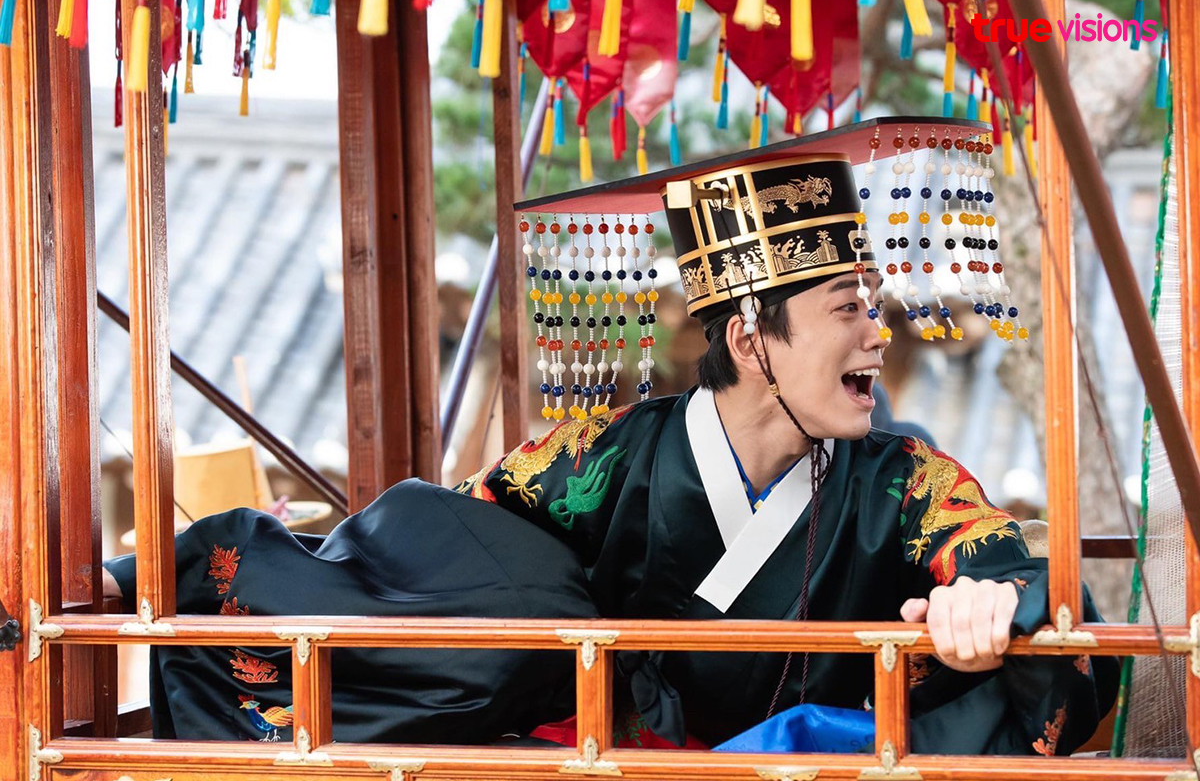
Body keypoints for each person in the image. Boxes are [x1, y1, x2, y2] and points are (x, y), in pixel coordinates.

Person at [104, 128, 1117, 754]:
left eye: (876, 306)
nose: (878, 334)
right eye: (848, 309)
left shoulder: (904, 480)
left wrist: (990, 599)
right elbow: (438, 557)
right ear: (751, 340)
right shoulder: (606, 456)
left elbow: (998, 553)